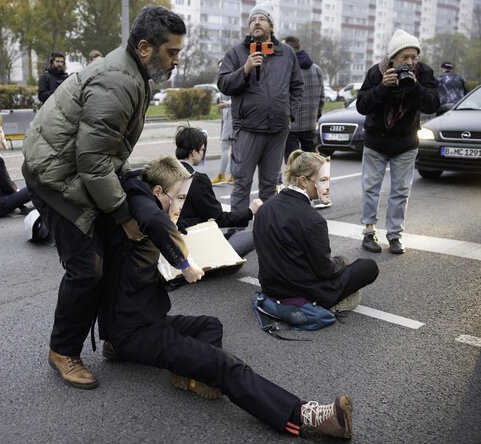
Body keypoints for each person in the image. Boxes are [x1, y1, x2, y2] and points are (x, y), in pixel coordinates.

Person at [100, 155, 354, 440]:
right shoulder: (140, 213)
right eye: (179, 197)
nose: (181, 206)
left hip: (146, 320)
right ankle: (304, 415)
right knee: (225, 365)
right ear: (157, 193)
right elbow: (152, 218)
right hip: (135, 330)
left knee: (211, 325)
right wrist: (185, 263)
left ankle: (190, 373)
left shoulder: (143, 205)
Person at [21, 5, 186, 389]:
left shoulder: (134, 72)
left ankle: (117, 333)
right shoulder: (119, 80)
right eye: (171, 52)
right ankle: (63, 350)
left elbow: (102, 153)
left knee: (115, 248)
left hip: (75, 168)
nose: (177, 60)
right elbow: (92, 161)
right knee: (88, 268)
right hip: (53, 176)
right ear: (145, 48)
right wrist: (123, 215)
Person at [254, 150, 379, 311]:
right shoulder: (313, 220)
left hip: (269, 287)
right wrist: (342, 261)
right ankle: (327, 305)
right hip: (302, 291)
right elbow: (326, 271)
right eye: (322, 180)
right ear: (303, 181)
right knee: (368, 266)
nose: (327, 187)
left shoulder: (266, 207)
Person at [356, 29, 439, 254]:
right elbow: (362, 106)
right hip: (376, 140)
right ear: (393, 57)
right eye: (405, 57)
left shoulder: (423, 73)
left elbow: (432, 104)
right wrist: (383, 86)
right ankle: (369, 232)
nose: (410, 62)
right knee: (371, 188)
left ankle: (394, 236)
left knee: (401, 191)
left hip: (406, 141)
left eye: (414, 57)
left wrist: (415, 87)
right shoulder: (377, 72)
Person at [217, 3, 303, 209]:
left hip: (277, 130)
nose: (256, 22)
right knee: (242, 184)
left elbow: (297, 85)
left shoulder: (286, 53)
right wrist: (245, 69)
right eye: (252, 19)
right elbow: (224, 84)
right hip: (247, 129)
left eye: (262, 19)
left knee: (269, 185)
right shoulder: (236, 53)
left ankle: (266, 232)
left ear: (271, 26)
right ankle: (236, 233)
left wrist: (290, 114)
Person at [174, 125, 261, 258]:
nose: (203, 153)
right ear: (194, 152)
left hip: (170, 242)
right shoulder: (197, 180)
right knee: (252, 236)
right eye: (203, 149)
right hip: (193, 243)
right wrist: (249, 212)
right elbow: (217, 218)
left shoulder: (164, 173)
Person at [281, 36, 324, 163]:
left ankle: (295, 183)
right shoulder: (317, 69)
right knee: (310, 164)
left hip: (290, 125)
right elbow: (322, 98)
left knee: (293, 164)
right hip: (310, 125)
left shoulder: (287, 70)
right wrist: (316, 116)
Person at [211, 60, 234, 185]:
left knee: (225, 146)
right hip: (227, 118)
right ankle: (232, 175)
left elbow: (237, 99)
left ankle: (222, 175)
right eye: (219, 67)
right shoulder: (225, 79)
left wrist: (225, 105)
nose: (220, 70)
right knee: (232, 148)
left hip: (231, 118)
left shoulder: (231, 80)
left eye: (222, 67)